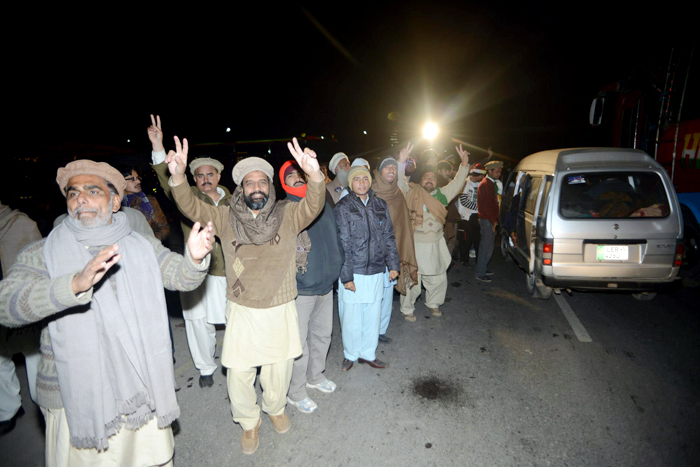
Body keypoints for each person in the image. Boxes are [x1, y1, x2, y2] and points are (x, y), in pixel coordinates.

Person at [0, 160, 214, 466]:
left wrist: (194, 259)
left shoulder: (140, 246)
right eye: (73, 193)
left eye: (92, 190)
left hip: (140, 385)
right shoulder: (42, 253)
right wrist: (72, 285)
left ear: (115, 202)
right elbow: (6, 304)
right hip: (77, 396)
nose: (80, 198)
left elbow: (178, 276)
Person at [166, 135, 325, 455]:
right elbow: (191, 206)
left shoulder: (288, 214)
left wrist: (316, 176)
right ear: (241, 188)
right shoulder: (225, 217)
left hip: (280, 306)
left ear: (270, 186)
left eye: (262, 181)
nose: (256, 186)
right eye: (249, 181)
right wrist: (180, 178)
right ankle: (249, 422)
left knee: (278, 369)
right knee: (239, 373)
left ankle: (275, 408)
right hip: (241, 308)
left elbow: (313, 204)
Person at [149, 115, 231, 389]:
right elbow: (167, 180)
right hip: (196, 270)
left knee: (234, 319)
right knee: (198, 321)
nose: (206, 179)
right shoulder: (189, 196)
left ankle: (234, 361)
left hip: (229, 269)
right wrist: (159, 148)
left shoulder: (234, 199)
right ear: (193, 179)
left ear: (219, 176)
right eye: (200, 175)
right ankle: (206, 368)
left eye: (210, 174)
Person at [279, 161, 342, 414]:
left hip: (326, 287)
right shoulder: (284, 210)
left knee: (323, 336)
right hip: (301, 290)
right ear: (283, 182)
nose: (296, 178)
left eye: (300, 174)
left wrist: (338, 266)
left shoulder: (324, 206)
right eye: (290, 176)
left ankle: (315, 377)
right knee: (299, 345)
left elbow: (336, 238)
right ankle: (296, 392)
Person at [335, 164, 400, 371]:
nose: (361, 183)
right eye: (356, 179)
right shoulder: (343, 207)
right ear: (350, 183)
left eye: (365, 179)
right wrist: (346, 277)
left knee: (373, 313)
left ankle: (368, 353)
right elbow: (342, 243)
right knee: (351, 316)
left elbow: (389, 236)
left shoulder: (380, 205)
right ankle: (350, 354)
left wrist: (393, 264)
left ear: (369, 182)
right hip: (353, 270)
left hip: (375, 270)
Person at [397, 144, 470, 320]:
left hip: (435, 244)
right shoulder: (411, 191)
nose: (429, 179)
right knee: (412, 278)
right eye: (426, 177)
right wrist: (401, 162)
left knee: (437, 277)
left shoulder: (442, 194)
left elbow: (458, 183)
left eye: (432, 178)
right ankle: (407, 309)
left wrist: (464, 164)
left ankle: (433, 304)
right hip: (414, 245)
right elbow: (399, 182)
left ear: (436, 182)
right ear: (420, 180)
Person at [0, 203, 42, 436]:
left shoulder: (22, 224)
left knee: (33, 353)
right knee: (0, 360)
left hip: (22, 302)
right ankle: (8, 410)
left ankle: (43, 401)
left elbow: (41, 265)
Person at [370, 148, 419, 343]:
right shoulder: (370, 191)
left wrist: (401, 161)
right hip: (373, 255)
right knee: (374, 296)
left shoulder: (397, 193)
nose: (391, 170)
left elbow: (401, 224)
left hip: (392, 253)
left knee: (388, 294)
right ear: (379, 171)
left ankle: (381, 330)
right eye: (386, 167)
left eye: (393, 168)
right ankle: (370, 330)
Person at [115, 163, 170, 242]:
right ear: (119, 182)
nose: (138, 181)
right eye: (132, 179)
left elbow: (163, 229)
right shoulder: (112, 204)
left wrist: (147, 241)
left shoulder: (149, 201)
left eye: (138, 178)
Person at [475, 160, 503, 282]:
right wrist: (494, 221)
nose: (499, 174)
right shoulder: (486, 184)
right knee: (486, 247)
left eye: (500, 172)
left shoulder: (490, 183)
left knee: (488, 247)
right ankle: (480, 272)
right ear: (489, 171)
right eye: (497, 171)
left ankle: (483, 268)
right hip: (487, 220)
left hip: (488, 219)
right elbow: (487, 206)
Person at [456, 163, 486, 265]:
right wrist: (479, 207)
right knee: (466, 240)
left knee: (477, 239)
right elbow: (464, 201)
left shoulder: (480, 183)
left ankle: (479, 261)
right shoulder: (465, 183)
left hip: (477, 215)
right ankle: (464, 260)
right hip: (466, 216)